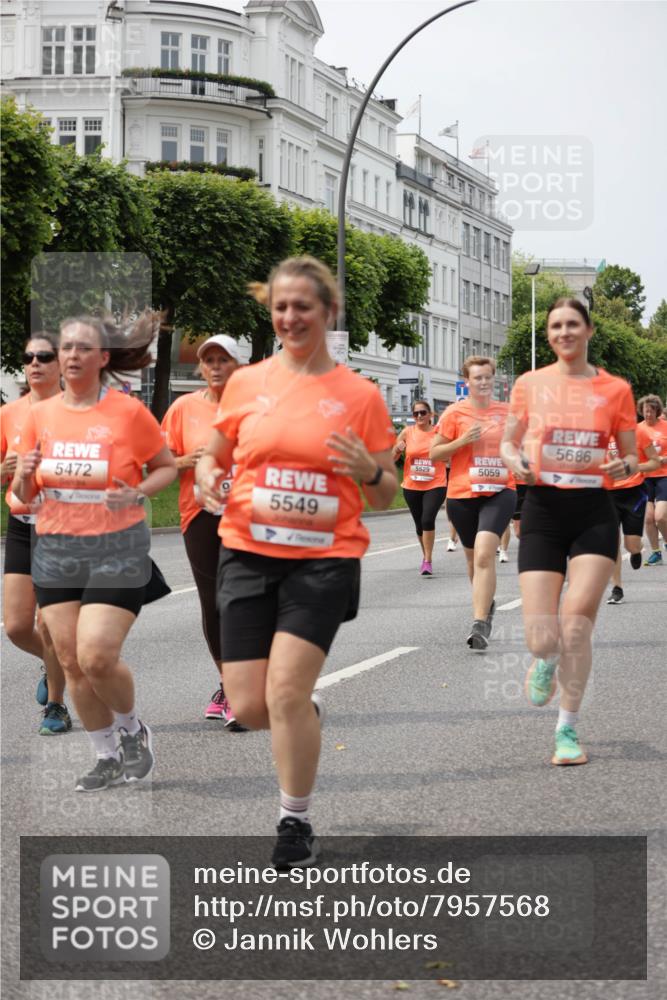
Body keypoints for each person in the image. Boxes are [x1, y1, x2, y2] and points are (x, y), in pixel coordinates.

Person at [195, 256, 396, 869]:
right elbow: (214, 453)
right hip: (247, 552)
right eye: (280, 307)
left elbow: (387, 489)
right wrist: (207, 478)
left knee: (283, 690)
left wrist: (366, 469)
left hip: (323, 559)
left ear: (327, 313)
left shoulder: (358, 396)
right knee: (251, 705)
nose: (289, 317)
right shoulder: (246, 384)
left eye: (302, 307)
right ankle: (302, 715)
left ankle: (294, 820)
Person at [13, 314, 177, 791]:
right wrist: (24, 472)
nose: (71, 355)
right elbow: (26, 491)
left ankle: (131, 729)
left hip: (117, 549)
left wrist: (138, 492)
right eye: (66, 347)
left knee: (97, 655)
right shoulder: (39, 415)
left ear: (103, 358)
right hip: (56, 549)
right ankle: (105, 754)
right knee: (70, 660)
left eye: (83, 348)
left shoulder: (127, 413)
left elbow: (165, 466)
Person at [500, 298, 638, 766]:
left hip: (594, 512)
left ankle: (567, 730)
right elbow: (507, 441)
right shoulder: (530, 384)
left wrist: (624, 465)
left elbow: (631, 456)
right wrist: (513, 460)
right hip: (543, 511)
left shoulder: (615, 389)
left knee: (577, 624)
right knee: (543, 637)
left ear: (589, 331)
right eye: (556, 325)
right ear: (550, 333)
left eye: (572, 324)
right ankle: (545, 659)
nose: (564, 332)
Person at [161, 334, 245, 728]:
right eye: (207, 359)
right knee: (213, 601)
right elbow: (157, 463)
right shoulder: (183, 408)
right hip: (199, 514)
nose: (214, 366)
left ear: (237, 366)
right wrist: (185, 460)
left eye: (222, 359)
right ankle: (230, 683)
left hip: (248, 515)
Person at [1, 334, 70, 734]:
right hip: (23, 526)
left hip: (62, 527)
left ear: (62, 364)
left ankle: (57, 707)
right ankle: (52, 663)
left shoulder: (77, 411)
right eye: (28, 356)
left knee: (50, 624)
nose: (35, 363)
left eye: (45, 356)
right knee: (15, 626)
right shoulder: (8, 413)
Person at [430, 356, 516, 651]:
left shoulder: (507, 413)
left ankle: (479, 624)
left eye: (487, 377)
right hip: (462, 494)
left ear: (495, 380)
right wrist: (462, 440)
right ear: (467, 382)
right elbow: (435, 454)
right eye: (477, 378)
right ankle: (485, 603)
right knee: (472, 560)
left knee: (483, 555)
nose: (482, 382)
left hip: (500, 491)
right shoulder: (455, 414)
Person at [604, 425, 660, 604]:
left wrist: (635, 467)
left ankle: (636, 551)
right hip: (607, 494)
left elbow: (655, 462)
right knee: (612, 541)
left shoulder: (639, 432)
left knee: (632, 545)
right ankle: (617, 588)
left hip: (634, 494)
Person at [392, 400, 446, 575]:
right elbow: (392, 458)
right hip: (412, 484)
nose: (420, 416)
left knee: (427, 520)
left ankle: (428, 560)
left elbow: (448, 453)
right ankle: (425, 557)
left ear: (430, 415)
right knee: (419, 524)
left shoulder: (439, 433)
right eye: (416, 414)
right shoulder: (407, 432)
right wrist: (398, 450)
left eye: (423, 412)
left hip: (435, 483)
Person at [636, 395, 667, 565]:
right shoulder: (637, 429)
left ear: (657, 411)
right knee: (648, 518)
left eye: (651, 410)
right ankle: (656, 553)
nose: (648, 414)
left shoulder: (665, 427)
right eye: (645, 410)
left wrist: (663, 459)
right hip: (645, 478)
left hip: (664, 476)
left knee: (660, 516)